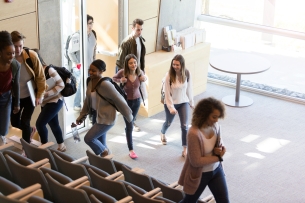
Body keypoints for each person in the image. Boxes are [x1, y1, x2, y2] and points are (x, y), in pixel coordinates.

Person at [76, 59, 133, 157]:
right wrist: (82, 116)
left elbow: (119, 100)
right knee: (101, 143)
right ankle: (107, 165)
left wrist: (129, 118)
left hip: (106, 118)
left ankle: (104, 152)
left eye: (93, 71)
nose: (90, 72)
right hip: (96, 116)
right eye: (90, 70)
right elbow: (87, 100)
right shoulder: (90, 81)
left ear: (101, 71)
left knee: (89, 139)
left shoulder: (105, 84)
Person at [178, 97, 229, 203]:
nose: (216, 120)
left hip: (216, 170)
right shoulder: (194, 133)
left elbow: (219, 142)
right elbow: (196, 161)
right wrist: (218, 157)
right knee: (189, 201)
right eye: (214, 117)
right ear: (204, 114)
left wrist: (221, 149)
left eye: (218, 117)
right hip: (200, 174)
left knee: (224, 201)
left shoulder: (216, 126)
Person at [10, 31, 46, 144]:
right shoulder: (8, 59)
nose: (18, 49)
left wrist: (40, 95)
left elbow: (41, 77)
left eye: (20, 46)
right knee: (15, 123)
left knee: (25, 121)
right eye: (15, 46)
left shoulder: (31, 56)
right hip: (16, 97)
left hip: (30, 95)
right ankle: (30, 130)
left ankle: (26, 148)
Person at [113, 54, 147, 159]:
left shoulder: (139, 72)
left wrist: (144, 78)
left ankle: (128, 130)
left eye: (135, 62)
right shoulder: (122, 72)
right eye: (131, 63)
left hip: (137, 101)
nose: (133, 65)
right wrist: (120, 80)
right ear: (127, 64)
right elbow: (113, 79)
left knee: (131, 121)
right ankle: (131, 150)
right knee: (130, 125)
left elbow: (144, 79)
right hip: (125, 102)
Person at [160, 54, 194, 157]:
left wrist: (191, 102)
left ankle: (185, 148)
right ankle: (163, 133)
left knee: (185, 126)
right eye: (173, 64)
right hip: (171, 103)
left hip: (183, 102)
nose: (175, 66)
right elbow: (167, 93)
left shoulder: (187, 73)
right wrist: (171, 107)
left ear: (182, 65)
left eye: (177, 65)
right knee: (168, 122)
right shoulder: (168, 76)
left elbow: (189, 89)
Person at [116, 18, 146, 132]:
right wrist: (124, 77)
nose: (140, 32)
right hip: (129, 75)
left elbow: (141, 58)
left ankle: (132, 121)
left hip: (137, 73)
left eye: (141, 29)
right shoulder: (126, 43)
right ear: (132, 28)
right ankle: (130, 123)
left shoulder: (140, 40)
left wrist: (142, 71)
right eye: (138, 29)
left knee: (138, 97)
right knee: (128, 99)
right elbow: (119, 62)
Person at [35, 53, 67, 151]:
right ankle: (61, 146)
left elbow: (61, 85)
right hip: (45, 102)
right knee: (54, 124)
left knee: (40, 124)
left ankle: (45, 147)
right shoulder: (35, 72)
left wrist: (47, 94)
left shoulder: (49, 70)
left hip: (55, 100)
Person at [72, 14, 97, 111]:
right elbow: (71, 53)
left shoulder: (92, 35)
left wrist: (94, 61)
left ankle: (85, 104)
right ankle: (77, 104)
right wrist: (78, 63)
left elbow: (94, 49)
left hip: (90, 65)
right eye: (88, 23)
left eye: (91, 23)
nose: (90, 25)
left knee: (89, 85)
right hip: (81, 67)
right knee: (83, 84)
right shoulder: (77, 36)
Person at [0, 31, 20, 144]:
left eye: (13, 53)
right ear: (1, 52)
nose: (12, 56)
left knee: (3, 129)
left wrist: (17, 103)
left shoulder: (15, 65)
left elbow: (15, 84)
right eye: (8, 53)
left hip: (6, 99)